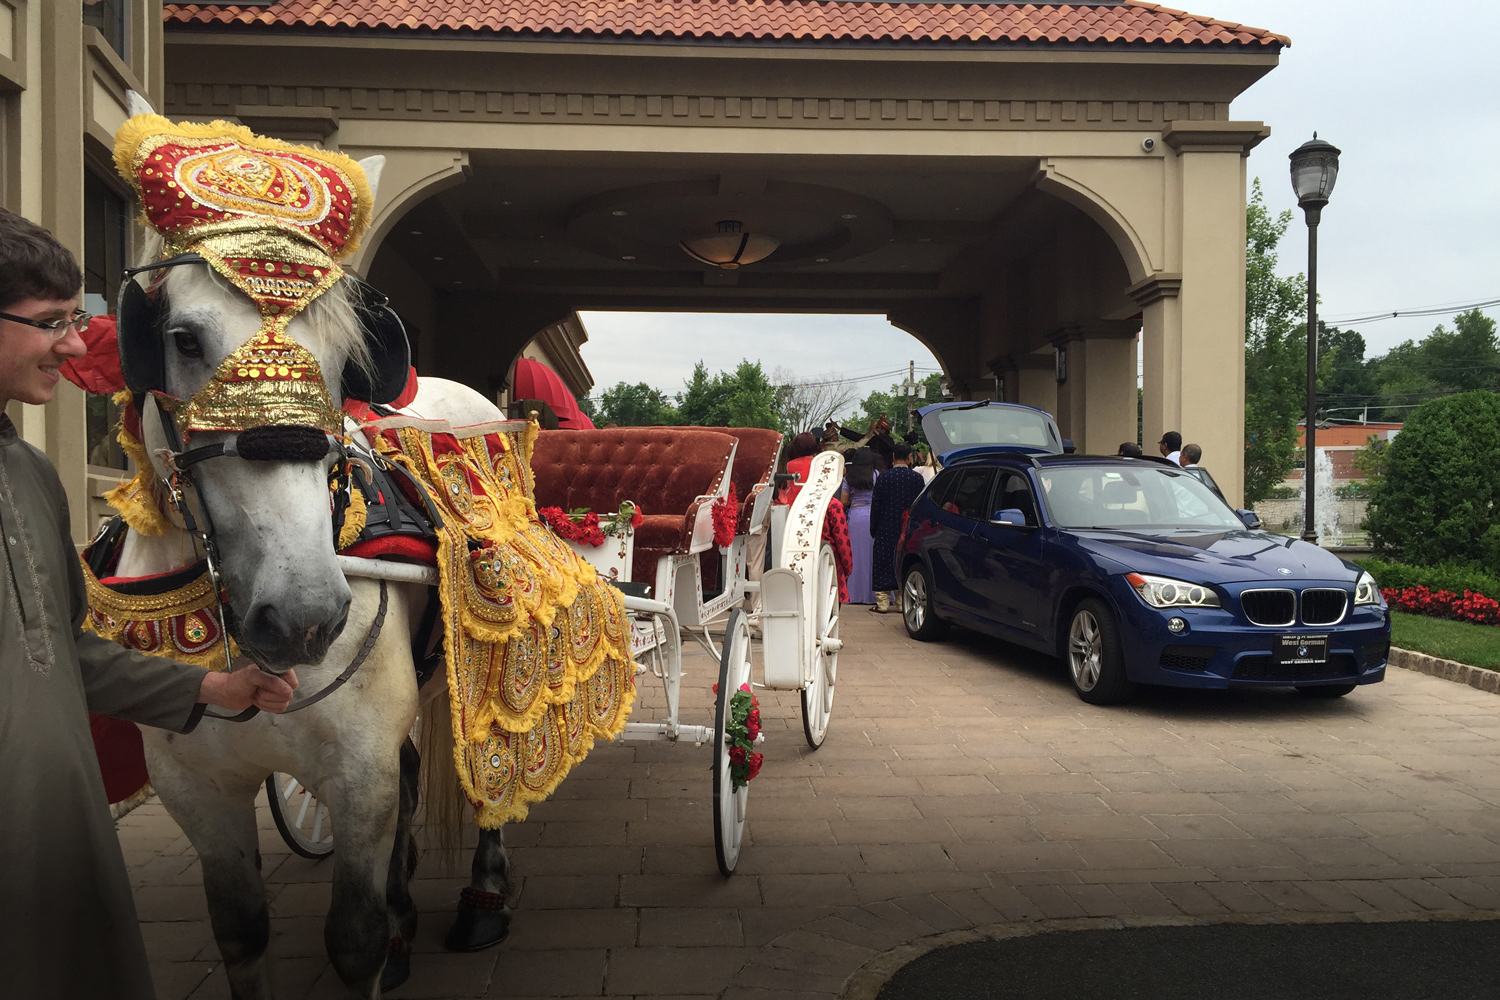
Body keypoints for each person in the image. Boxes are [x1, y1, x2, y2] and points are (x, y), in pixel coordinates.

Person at [0, 208, 299, 1000]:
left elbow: (66, 650)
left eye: (79, 319)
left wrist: (211, 688)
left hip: (63, 842)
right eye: (50, 323)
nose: (74, 346)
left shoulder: (30, 474)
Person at [868, 442, 925, 613]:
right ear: (909, 457)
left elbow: (876, 505)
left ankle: (882, 603)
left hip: (885, 526)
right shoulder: (917, 479)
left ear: (893, 457)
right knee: (903, 562)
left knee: (883, 561)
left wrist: (874, 528)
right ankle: (902, 602)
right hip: (907, 528)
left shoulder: (884, 478)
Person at [843, 449, 877, 604]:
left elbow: (844, 501)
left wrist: (853, 499)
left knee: (856, 556)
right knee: (873, 555)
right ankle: (875, 594)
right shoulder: (877, 475)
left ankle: (854, 593)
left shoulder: (849, 477)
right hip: (872, 515)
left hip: (856, 515)